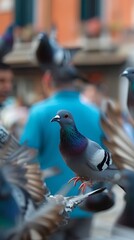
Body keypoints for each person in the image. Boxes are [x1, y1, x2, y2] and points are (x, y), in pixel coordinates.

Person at [20, 69, 103, 239]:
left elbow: (24, 158)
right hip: (85, 204)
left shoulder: (39, 113)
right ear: (75, 82)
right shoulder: (95, 113)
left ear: (48, 80)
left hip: (49, 206)